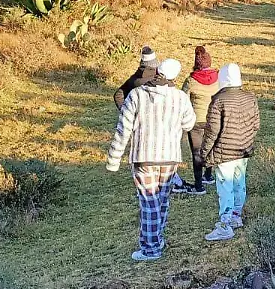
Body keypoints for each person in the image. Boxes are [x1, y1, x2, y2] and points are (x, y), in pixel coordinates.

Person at [106, 58, 197, 261]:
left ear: (157, 71)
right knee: (161, 201)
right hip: (170, 156)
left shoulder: (137, 95)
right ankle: (157, 239)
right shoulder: (180, 97)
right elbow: (189, 123)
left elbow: (123, 128)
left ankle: (150, 248)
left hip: (143, 156)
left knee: (149, 202)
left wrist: (114, 159)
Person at [202, 63, 260, 241]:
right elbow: (256, 125)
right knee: (239, 183)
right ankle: (236, 216)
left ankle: (225, 225)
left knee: (225, 186)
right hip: (243, 150)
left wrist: (204, 153)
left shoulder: (219, 101)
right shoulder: (250, 98)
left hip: (224, 152)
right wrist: (247, 141)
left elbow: (212, 131)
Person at [175, 45, 221, 194]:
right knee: (210, 147)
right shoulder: (218, 78)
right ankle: (208, 175)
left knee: (197, 153)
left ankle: (199, 185)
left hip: (196, 121)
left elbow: (182, 99)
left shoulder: (191, 80)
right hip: (213, 119)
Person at [114, 46, 157, 111]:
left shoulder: (133, 79)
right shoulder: (160, 78)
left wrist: (125, 111)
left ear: (141, 62)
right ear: (155, 62)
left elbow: (118, 95)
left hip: (136, 114)